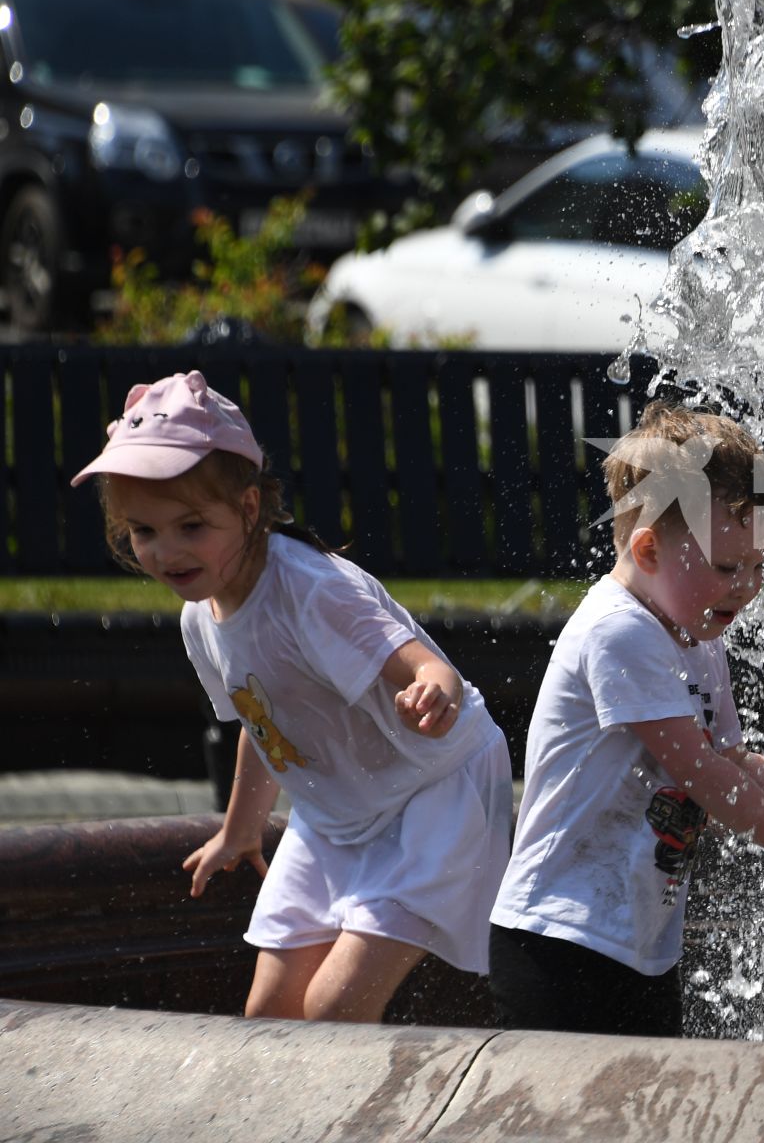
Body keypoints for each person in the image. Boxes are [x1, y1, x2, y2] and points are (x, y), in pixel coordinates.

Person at [71, 370, 514, 1023]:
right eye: (144, 532)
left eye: (191, 526)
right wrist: (240, 826)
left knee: (335, 1008)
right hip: (337, 818)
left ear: (249, 508)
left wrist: (433, 688)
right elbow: (262, 720)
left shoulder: (312, 592)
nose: (166, 552)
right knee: (270, 1015)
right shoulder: (202, 618)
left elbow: (424, 665)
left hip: (430, 798)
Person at [487, 400, 764, 1037]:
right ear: (648, 549)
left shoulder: (695, 636)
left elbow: (730, 758)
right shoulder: (620, 633)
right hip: (559, 938)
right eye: (727, 567)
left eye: (760, 567)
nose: (746, 587)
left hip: (639, 941)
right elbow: (701, 776)